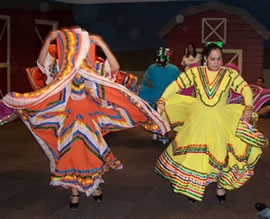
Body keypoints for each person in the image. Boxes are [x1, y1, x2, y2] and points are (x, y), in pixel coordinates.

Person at [2, 27, 170, 209]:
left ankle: (95, 185)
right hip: (68, 119)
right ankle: (75, 191)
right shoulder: (61, 69)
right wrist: (48, 40)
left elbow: (114, 68)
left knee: (91, 152)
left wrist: (102, 44)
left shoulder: (91, 68)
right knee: (71, 154)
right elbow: (42, 63)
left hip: (89, 118)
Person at [154, 42, 267, 203]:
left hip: (221, 120)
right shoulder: (195, 73)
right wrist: (163, 99)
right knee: (195, 155)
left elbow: (244, 88)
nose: (216, 62)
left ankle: (221, 186)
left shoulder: (229, 74)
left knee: (221, 154)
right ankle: (193, 187)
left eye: (219, 59)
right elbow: (176, 85)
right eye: (213, 59)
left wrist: (248, 106)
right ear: (206, 59)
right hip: (198, 119)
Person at [138, 47, 180, 144]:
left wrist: (144, 90)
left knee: (156, 115)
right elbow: (180, 81)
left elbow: (146, 80)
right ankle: (164, 134)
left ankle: (156, 132)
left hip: (155, 95)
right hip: (168, 96)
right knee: (165, 116)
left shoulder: (152, 68)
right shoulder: (174, 68)